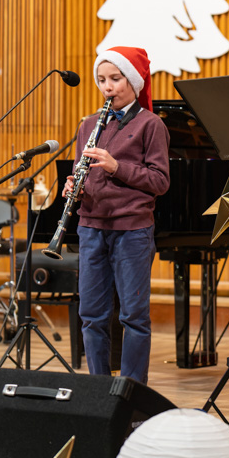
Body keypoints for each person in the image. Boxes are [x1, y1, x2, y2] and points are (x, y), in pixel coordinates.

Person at [63, 46, 170, 384]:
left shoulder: (150, 125)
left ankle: (132, 393)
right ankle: (98, 390)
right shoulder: (89, 125)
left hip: (131, 231)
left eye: (115, 79)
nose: (107, 87)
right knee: (91, 316)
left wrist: (116, 166)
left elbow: (160, 181)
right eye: (101, 80)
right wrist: (73, 187)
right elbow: (84, 173)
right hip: (91, 228)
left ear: (133, 82)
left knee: (133, 317)